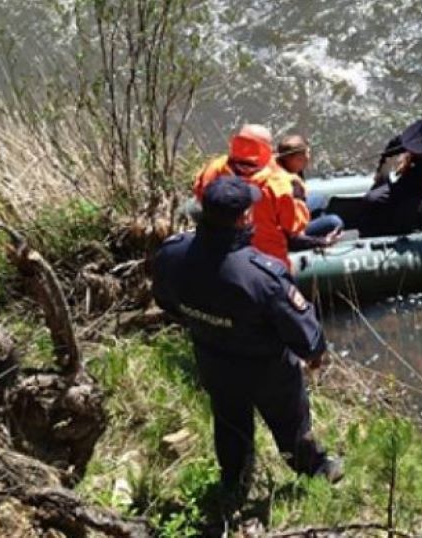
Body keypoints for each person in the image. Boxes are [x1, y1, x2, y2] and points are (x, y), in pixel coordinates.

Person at [153, 176, 344, 508]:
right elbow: (307, 336)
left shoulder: (172, 254)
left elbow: (165, 301)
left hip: (212, 359)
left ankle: (234, 481)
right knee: (290, 426)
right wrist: (314, 355)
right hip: (267, 370)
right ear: (244, 218)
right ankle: (314, 470)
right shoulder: (261, 275)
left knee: (229, 423)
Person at [193, 125, 312, 269]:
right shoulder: (278, 183)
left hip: (220, 255)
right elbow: (295, 224)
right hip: (269, 261)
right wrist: (299, 199)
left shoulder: (213, 169)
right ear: (266, 150)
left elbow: (201, 195)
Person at [275, 134, 343, 250]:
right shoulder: (292, 187)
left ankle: (312, 222)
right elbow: (293, 236)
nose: (308, 157)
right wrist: (321, 242)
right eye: (305, 154)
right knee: (335, 222)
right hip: (285, 235)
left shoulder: (280, 164)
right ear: (295, 159)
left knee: (320, 199)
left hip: (282, 216)